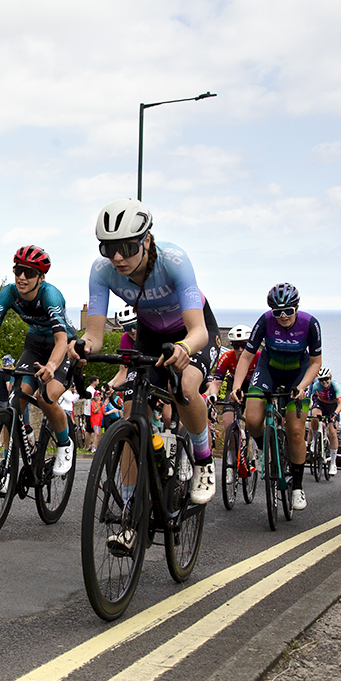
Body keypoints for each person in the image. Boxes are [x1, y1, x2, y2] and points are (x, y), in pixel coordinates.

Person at [74, 199, 222, 524]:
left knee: (186, 385)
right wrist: (82, 346)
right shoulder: (102, 271)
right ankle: (131, 509)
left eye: (126, 247)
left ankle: (202, 459)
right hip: (150, 333)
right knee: (130, 414)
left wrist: (183, 348)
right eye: (108, 248)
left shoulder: (174, 260)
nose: (117, 257)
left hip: (191, 331)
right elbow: (95, 335)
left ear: (146, 239)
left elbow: (198, 330)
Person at [0, 245, 77, 476]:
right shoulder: (8, 293)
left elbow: (61, 340)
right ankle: (7, 465)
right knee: (15, 402)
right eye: (18, 270)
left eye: (29, 272)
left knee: (46, 398)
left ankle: (65, 444)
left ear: (41, 276)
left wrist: (52, 366)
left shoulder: (50, 295)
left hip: (62, 345)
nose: (22, 277)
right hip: (35, 344)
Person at [231, 283, 322, 512]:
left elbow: (316, 363)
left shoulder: (310, 324)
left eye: (288, 311)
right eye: (277, 312)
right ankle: (263, 450)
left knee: (296, 431)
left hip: (298, 374)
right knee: (252, 420)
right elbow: (247, 357)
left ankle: (298, 487)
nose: (283, 316)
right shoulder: (265, 321)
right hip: (268, 369)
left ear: (297, 308)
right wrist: (236, 386)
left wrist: (302, 386)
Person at [207, 325, 260, 456]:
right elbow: (216, 381)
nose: (240, 350)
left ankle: (257, 452)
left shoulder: (259, 356)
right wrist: (212, 395)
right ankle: (230, 461)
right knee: (227, 424)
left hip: (253, 385)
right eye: (236, 346)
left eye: (244, 345)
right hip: (233, 385)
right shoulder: (227, 357)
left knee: (253, 421)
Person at [307, 366, 341, 477]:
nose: (324, 382)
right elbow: (310, 401)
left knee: (332, 432)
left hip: (333, 407)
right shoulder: (316, 386)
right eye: (321, 380)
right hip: (321, 405)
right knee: (314, 417)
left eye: (326, 379)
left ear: (330, 377)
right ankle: (314, 439)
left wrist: (335, 414)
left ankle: (333, 463)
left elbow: (340, 404)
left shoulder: (335, 386)